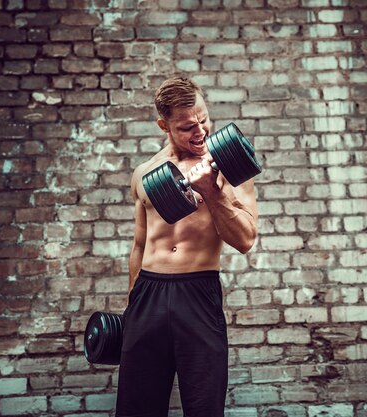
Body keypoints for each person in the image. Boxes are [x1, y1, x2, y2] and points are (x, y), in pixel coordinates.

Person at [115, 77, 259, 417]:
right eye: (187, 127)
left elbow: (246, 240)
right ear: (163, 125)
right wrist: (133, 304)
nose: (201, 132)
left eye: (203, 119)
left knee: (204, 408)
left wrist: (211, 191)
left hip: (197, 293)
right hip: (148, 294)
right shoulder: (144, 173)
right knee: (137, 408)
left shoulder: (230, 166)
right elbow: (138, 245)